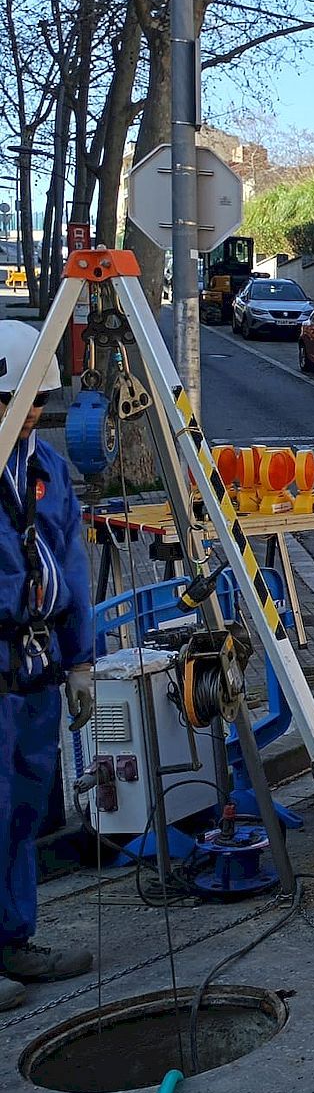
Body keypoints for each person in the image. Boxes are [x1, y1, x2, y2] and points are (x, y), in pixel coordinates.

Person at [0, 320, 96, 1012]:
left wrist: (81, 661)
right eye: (21, 401)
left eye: (39, 401)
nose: (34, 414)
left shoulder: (45, 467)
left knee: (25, 805)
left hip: (34, 665)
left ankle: (13, 936)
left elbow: (73, 567)